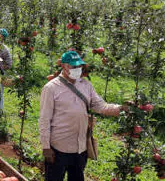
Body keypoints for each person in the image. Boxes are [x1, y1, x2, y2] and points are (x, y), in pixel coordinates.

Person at [39, 51, 127, 181]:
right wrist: (46, 147)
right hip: (59, 147)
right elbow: (44, 119)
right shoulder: (51, 88)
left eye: (79, 66)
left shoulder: (86, 85)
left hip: (80, 148)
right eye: (73, 67)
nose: (77, 70)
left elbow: (100, 106)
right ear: (64, 66)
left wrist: (121, 109)